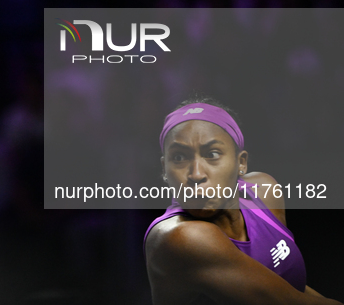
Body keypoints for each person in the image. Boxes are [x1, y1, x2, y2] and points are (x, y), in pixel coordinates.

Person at [143, 96, 343, 305]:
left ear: (241, 163)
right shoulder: (181, 237)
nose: (196, 174)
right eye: (179, 158)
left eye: (212, 153)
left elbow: (288, 287)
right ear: (164, 169)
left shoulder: (263, 190)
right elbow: (287, 300)